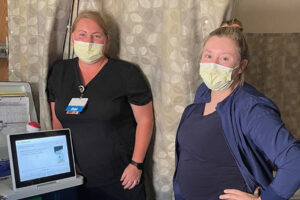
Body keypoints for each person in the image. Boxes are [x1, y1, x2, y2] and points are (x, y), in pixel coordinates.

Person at [173, 27, 300, 200]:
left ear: (241, 66)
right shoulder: (203, 93)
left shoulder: (251, 108)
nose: (213, 64)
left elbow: (295, 161)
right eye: (208, 56)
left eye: (224, 58)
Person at [47, 11, 154, 200]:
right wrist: (66, 162)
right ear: (72, 36)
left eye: (96, 36)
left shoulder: (126, 73)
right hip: (77, 177)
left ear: (106, 39)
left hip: (122, 177)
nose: (89, 41)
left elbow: (145, 121)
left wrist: (136, 164)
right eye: (82, 34)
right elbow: (57, 121)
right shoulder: (59, 71)